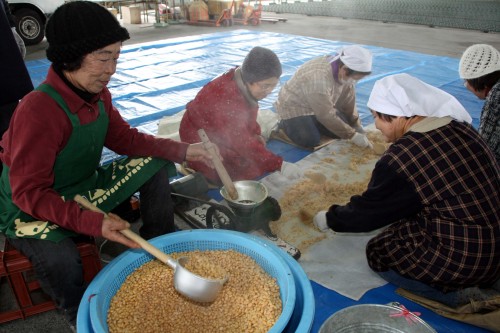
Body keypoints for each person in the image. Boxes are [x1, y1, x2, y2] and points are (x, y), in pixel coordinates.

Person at [0, 1, 216, 329]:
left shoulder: (99, 94)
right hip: (30, 205)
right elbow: (28, 192)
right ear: (71, 55)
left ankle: (161, 244)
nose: (111, 68)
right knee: (63, 262)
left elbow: (127, 140)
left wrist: (184, 150)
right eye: (103, 57)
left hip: (82, 186)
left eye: (116, 56)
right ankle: (77, 315)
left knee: (155, 162)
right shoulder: (38, 111)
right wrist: (92, 222)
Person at [313, 73, 500, 308]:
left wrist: (330, 218)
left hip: (467, 259)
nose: (377, 127)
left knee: (379, 252)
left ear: (399, 117)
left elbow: (367, 213)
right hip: (493, 242)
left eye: (376, 118)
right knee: (402, 223)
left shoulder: (403, 157)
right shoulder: (458, 126)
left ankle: (459, 296)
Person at [179, 46, 302, 184]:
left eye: (273, 86)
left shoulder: (242, 79)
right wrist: (279, 164)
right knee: (242, 170)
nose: (268, 91)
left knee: (253, 155)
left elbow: (247, 113)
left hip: (222, 130)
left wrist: (255, 133)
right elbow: (241, 142)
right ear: (250, 80)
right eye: (265, 86)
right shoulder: (225, 97)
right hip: (198, 135)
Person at [274, 45, 373, 149]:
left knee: (346, 126)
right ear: (344, 70)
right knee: (309, 139)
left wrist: (356, 125)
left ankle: (314, 124)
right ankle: (284, 125)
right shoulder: (318, 78)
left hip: (320, 105)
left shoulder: (345, 71)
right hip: (296, 107)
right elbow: (325, 114)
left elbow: (348, 100)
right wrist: (352, 135)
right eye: (354, 78)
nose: (354, 82)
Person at [459, 43, 500, 164]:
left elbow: (486, 152)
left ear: (475, 81)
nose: (466, 86)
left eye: (466, 82)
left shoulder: (496, 97)